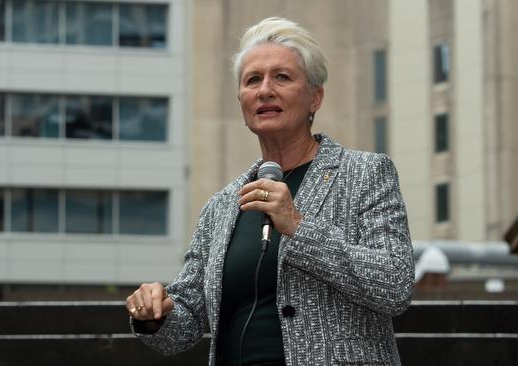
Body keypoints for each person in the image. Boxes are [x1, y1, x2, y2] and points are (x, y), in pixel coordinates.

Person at [126, 17, 414, 366]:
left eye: (282, 77)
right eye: (252, 80)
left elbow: (394, 286)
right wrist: (156, 313)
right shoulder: (221, 206)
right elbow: (186, 322)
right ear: (242, 101)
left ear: (315, 97)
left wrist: (298, 227)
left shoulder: (366, 174)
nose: (264, 90)